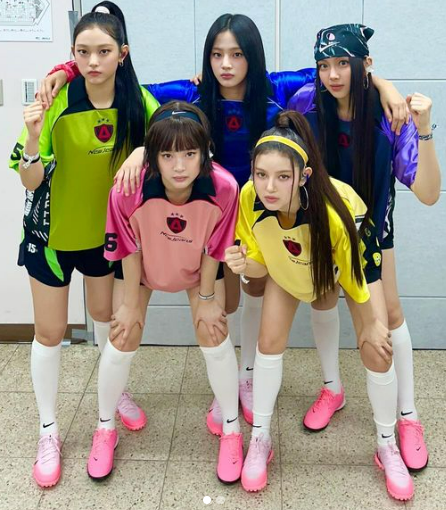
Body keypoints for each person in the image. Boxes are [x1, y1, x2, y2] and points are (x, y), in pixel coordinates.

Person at [38, 13, 408, 435]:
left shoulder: (276, 89)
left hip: (259, 211)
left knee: (253, 290)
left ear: (253, 56)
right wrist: (72, 76)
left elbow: (336, 71)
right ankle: (227, 384)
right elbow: (127, 88)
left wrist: (385, 86)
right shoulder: (194, 92)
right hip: (209, 212)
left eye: (236, 54)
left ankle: (245, 377)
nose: (226, 64)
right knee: (221, 304)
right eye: (217, 54)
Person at [225, 110, 415, 501]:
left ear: (304, 176)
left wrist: (371, 323)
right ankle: (260, 438)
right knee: (268, 343)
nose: (269, 187)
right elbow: (260, 261)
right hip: (289, 266)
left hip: (345, 264)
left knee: (377, 348)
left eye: (282, 177)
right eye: (261, 174)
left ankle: (386, 444)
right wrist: (244, 266)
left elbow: (356, 277)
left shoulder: (335, 211)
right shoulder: (248, 198)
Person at [8, 10, 158, 487]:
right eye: (83, 52)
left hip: (105, 237)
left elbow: (171, 137)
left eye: (103, 51)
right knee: (50, 332)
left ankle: (114, 394)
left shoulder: (138, 101)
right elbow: (30, 178)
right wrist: (34, 139)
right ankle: (48, 430)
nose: (93, 61)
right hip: (51, 237)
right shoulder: (57, 99)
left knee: (106, 319)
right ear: (71, 56)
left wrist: (144, 149)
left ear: (122, 55)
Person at [288, 23, 441, 473]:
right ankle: (332, 389)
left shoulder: (389, 115)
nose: (333, 74)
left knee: (389, 316)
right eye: (324, 64)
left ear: (365, 63)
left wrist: (424, 129)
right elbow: (258, 80)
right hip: (322, 227)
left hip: (373, 230)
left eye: (344, 63)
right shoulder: (306, 102)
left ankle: (407, 415)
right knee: (322, 299)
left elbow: (429, 194)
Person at [91, 101, 242, 483]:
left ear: (204, 153)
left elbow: (216, 247)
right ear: (152, 157)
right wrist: (129, 304)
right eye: (168, 155)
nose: (179, 166)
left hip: (198, 267)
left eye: (189, 154)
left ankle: (232, 428)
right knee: (123, 332)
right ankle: (105, 427)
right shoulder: (128, 190)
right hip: (143, 266)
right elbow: (128, 247)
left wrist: (206, 300)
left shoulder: (225, 188)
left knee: (213, 330)